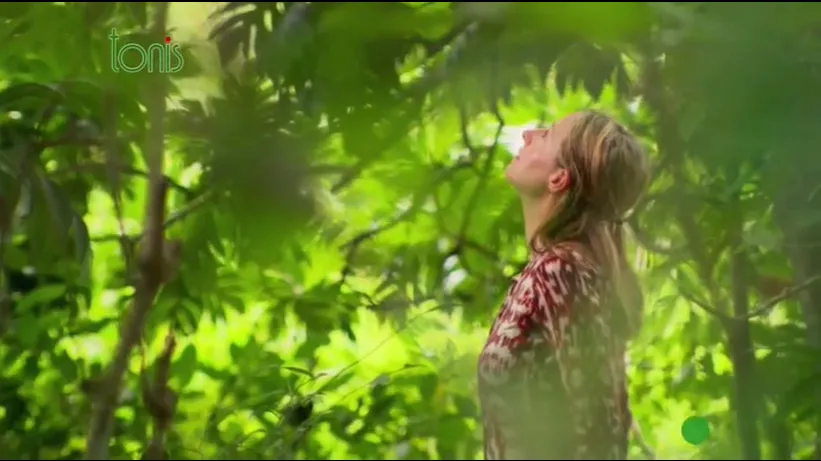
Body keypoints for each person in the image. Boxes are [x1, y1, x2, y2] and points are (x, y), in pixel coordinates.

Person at [477, 111, 650, 460]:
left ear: (559, 178)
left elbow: (599, 429)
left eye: (546, 135)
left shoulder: (561, 271)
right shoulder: (560, 270)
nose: (528, 135)